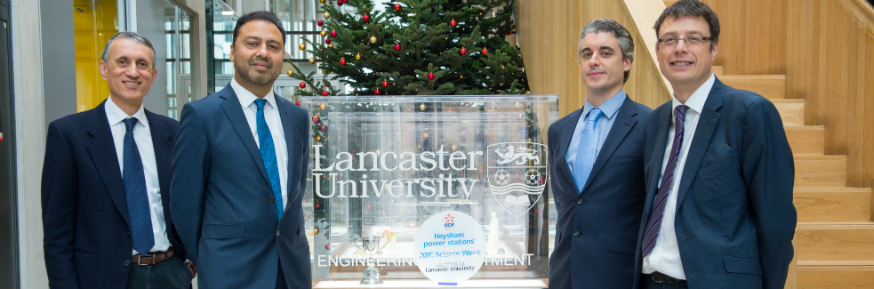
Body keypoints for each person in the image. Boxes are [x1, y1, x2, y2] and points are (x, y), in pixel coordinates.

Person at [634, 0, 796, 288]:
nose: (680, 48)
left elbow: (776, 222)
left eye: (694, 39)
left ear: (714, 48)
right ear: (658, 52)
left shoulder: (750, 113)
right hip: (651, 281)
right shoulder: (656, 122)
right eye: (669, 40)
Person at [170, 11, 311, 289]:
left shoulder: (297, 118)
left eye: (273, 46)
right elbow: (184, 204)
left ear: (282, 57)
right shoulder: (202, 116)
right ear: (233, 52)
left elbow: (295, 193)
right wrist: (209, 258)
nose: (263, 53)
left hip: (291, 272)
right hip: (230, 273)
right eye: (252, 43)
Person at [41, 31, 193, 289]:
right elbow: (58, 232)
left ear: (153, 76)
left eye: (142, 64)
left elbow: (192, 201)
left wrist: (190, 263)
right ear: (103, 69)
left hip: (170, 274)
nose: (133, 72)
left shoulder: (174, 133)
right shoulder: (69, 135)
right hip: (101, 278)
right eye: (123, 62)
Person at [547, 19, 652, 289]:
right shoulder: (559, 130)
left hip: (621, 274)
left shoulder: (651, 125)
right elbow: (567, 204)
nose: (594, 61)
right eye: (586, 54)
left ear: (626, 62)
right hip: (565, 273)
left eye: (605, 53)